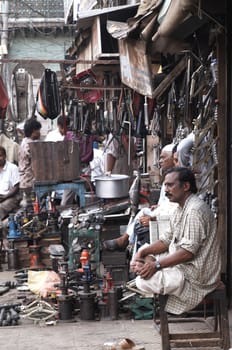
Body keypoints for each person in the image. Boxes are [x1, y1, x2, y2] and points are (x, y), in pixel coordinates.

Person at [131, 167, 221, 315]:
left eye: (170, 185)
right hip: (184, 267)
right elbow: (166, 240)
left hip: (197, 276)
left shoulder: (194, 211)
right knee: (144, 265)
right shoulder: (179, 208)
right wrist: (143, 252)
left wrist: (156, 265)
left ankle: (179, 286)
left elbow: (187, 253)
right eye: (165, 185)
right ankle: (164, 276)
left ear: (185, 186)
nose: (166, 190)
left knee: (143, 280)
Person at [103, 143, 177, 251]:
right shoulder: (168, 177)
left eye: (163, 158)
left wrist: (155, 217)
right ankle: (125, 240)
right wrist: (158, 207)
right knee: (142, 212)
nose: (160, 161)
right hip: (163, 212)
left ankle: (125, 240)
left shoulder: (176, 180)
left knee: (143, 219)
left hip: (167, 218)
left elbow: (174, 208)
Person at [18, 118, 42, 195]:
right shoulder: (29, 145)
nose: (39, 133)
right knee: (33, 205)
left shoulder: (25, 141)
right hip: (29, 181)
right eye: (38, 130)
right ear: (33, 131)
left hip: (26, 181)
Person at [0, 146, 21, 220]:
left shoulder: (12, 168)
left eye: (0, 156)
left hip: (12, 197)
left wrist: (5, 197)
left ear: (5, 156)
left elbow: (16, 187)